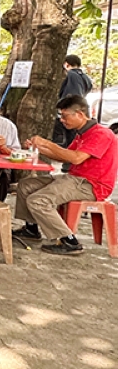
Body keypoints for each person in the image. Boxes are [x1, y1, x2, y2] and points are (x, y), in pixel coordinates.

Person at [13, 95, 118, 256]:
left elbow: (76, 158)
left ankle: (69, 240)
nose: (62, 120)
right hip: (74, 178)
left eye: (65, 115)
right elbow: (65, 156)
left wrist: (48, 143)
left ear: (80, 114)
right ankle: (31, 228)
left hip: (91, 184)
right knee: (26, 185)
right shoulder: (82, 133)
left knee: (38, 200)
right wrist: (40, 148)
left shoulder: (101, 134)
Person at [53, 55, 93, 149]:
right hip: (81, 109)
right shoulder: (85, 77)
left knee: (68, 136)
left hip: (71, 110)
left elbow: (71, 95)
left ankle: (67, 159)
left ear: (66, 64)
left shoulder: (70, 74)